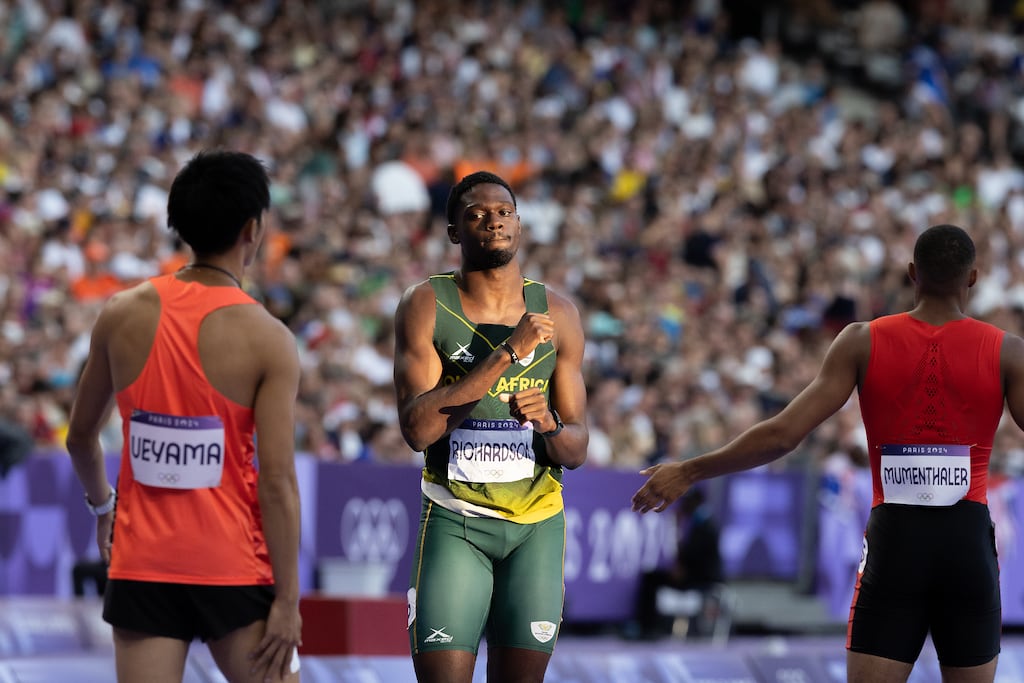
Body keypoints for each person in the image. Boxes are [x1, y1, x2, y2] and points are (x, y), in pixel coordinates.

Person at [633, 224, 1011, 683]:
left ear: (912, 273)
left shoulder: (862, 340)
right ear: (973, 278)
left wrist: (690, 470)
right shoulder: (1006, 352)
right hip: (966, 543)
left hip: (896, 545)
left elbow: (783, 435)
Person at [65, 150, 303, 683]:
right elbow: (279, 482)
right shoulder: (269, 339)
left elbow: (80, 438)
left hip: (142, 566)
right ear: (253, 230)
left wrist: (104, 508)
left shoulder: (120, 313)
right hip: (232, 567)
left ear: (180, 223)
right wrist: (287, 599)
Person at [393, 170, 589, 683]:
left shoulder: (560, 315)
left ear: (519, 225)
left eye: (504, 212)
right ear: (455, 231)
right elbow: (417, 430)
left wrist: (548, 423)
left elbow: (577, 447)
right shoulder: (427, 304)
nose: (493, 222)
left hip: (536, 528)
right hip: (456, 520)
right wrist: (507, 354)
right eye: (477, 214)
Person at [632, 486, 723, 639]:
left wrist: (677, 526)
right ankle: (649, 626)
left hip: (702, 579)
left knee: (651, 580)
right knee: (650, 576)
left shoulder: (705, 527)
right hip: (694, 574)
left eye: (687, 502)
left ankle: (648, 629)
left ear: (695, 502)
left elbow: (691, 556)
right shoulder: (700, 523)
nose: (684, 505)